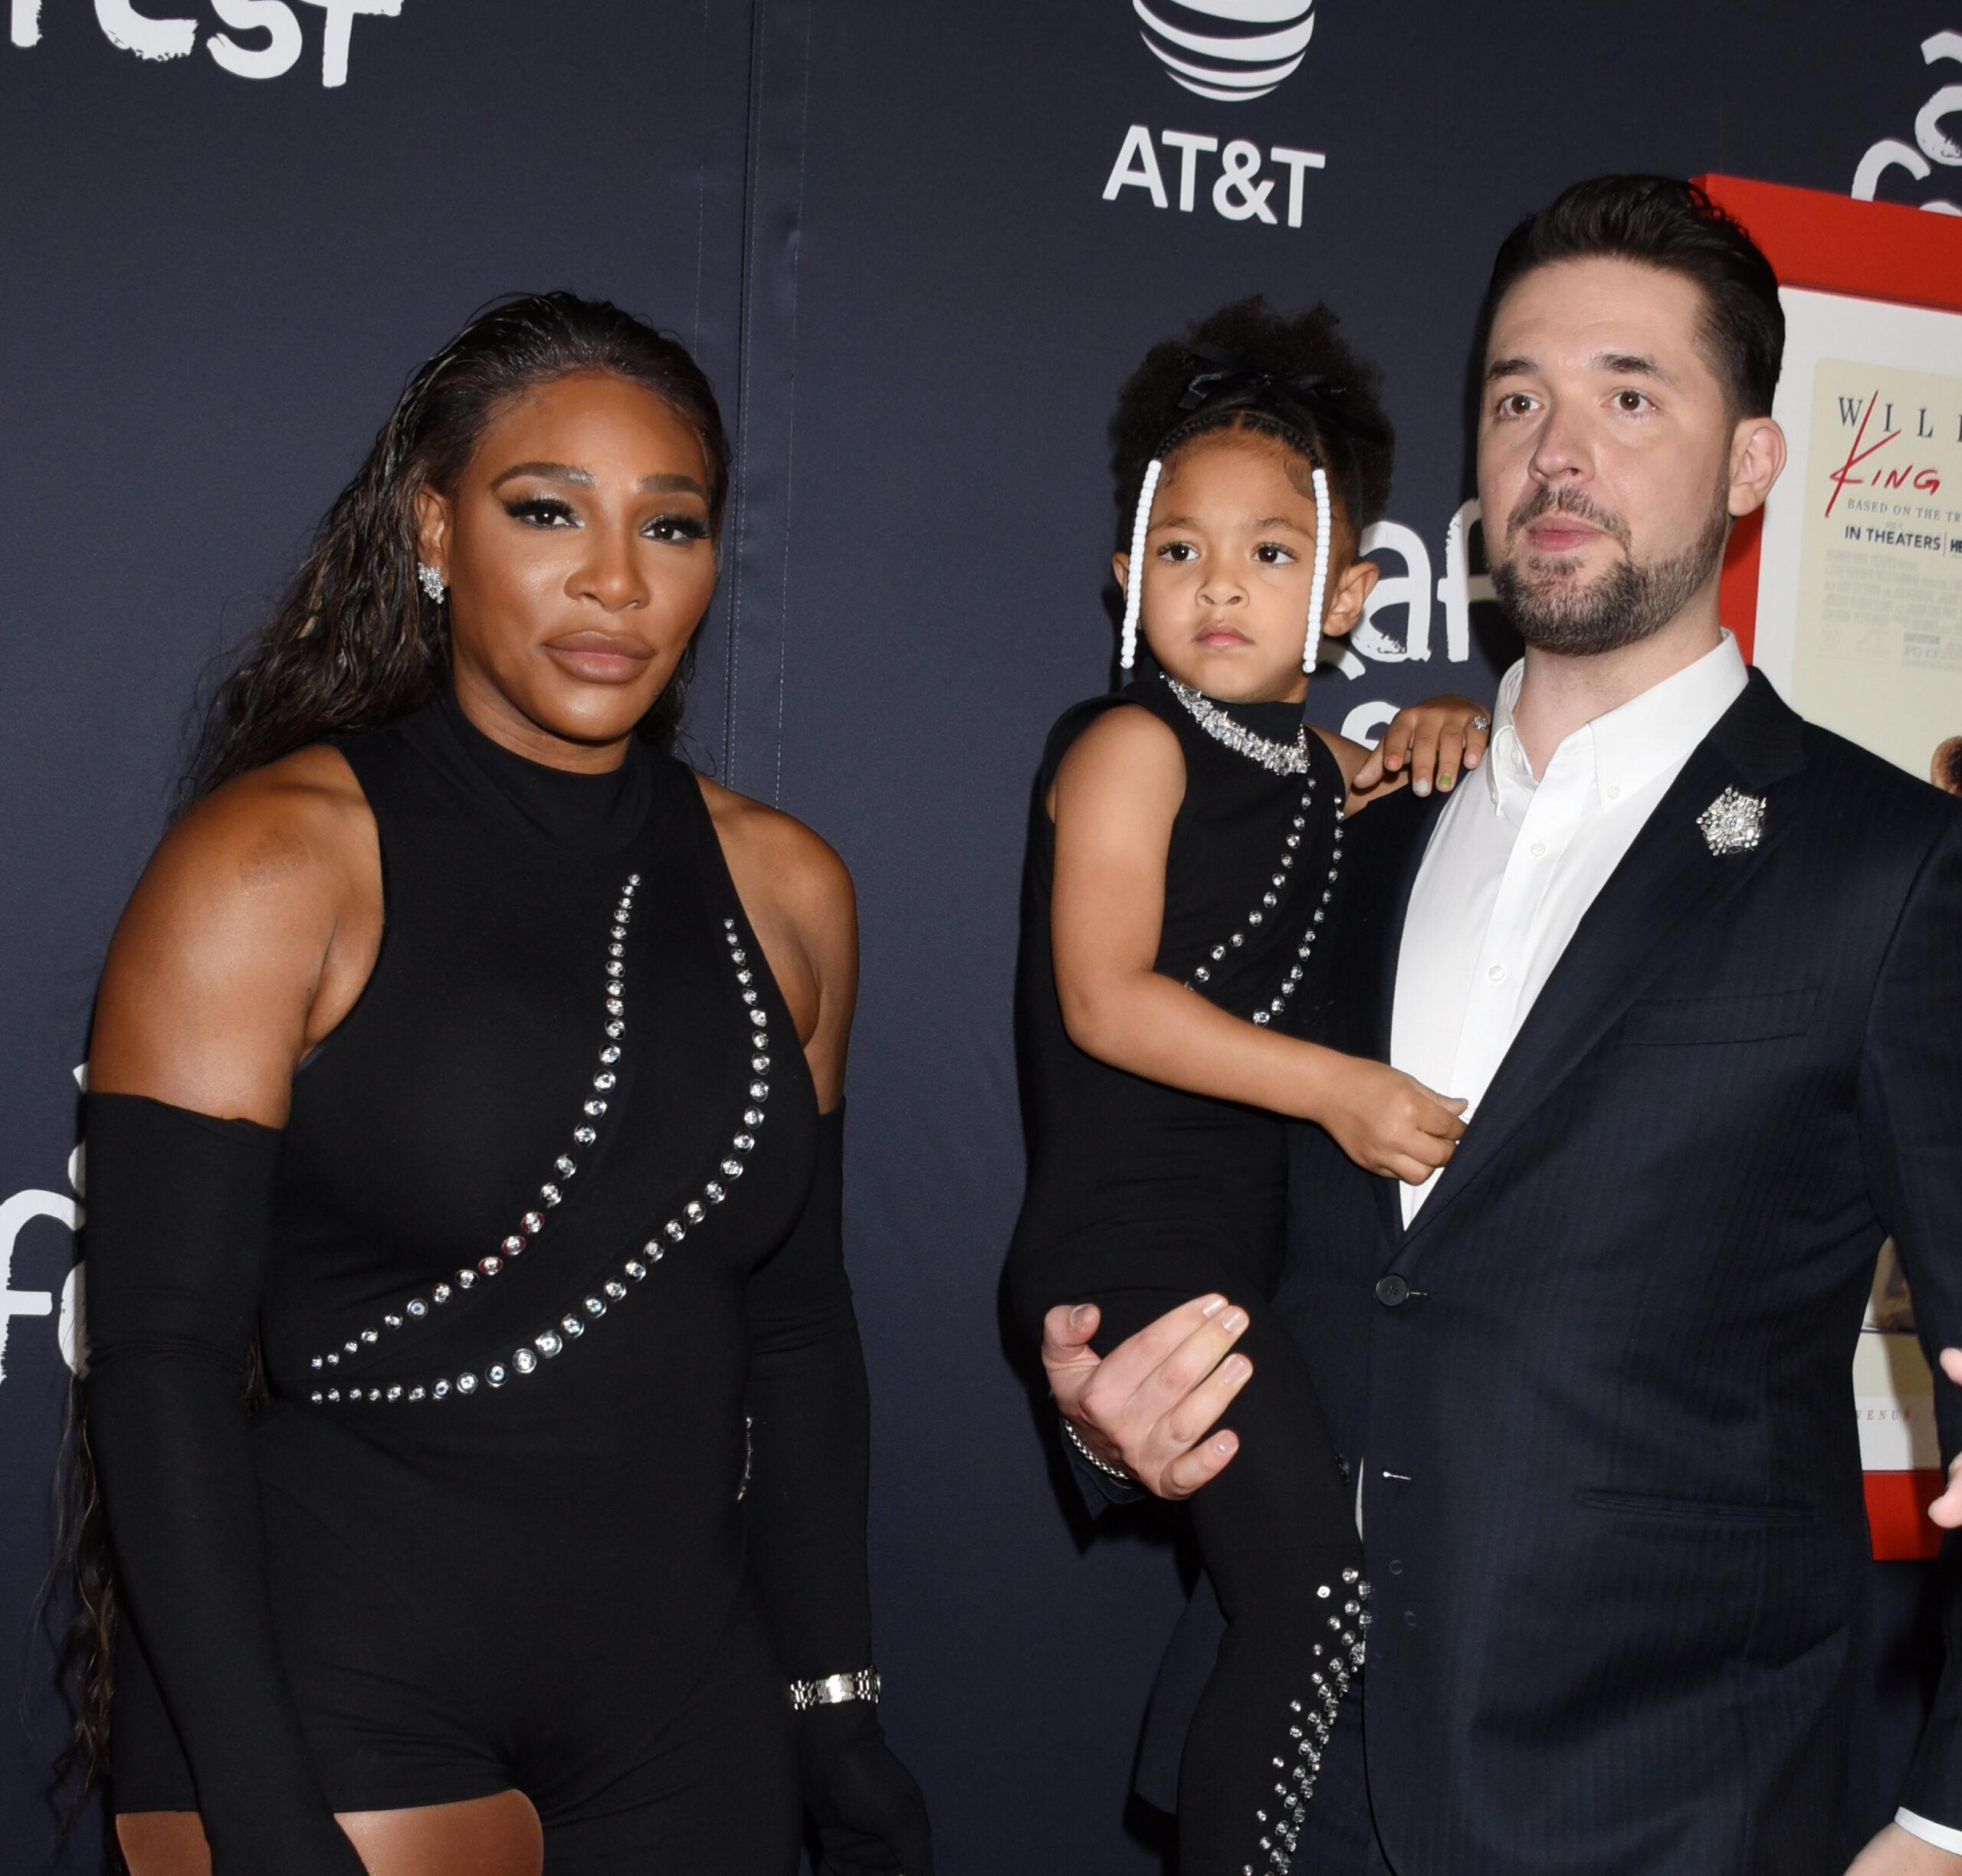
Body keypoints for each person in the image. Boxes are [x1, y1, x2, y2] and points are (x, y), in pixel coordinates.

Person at [1041, 177, 1962, 1874]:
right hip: (1285, 1783)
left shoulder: (1885, 871)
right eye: (1515, 397)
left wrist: (1939, 1824)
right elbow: (1209, 1203)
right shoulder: (1349, 829)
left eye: (1629, 395)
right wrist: (1111, 1405)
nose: (1558, 448)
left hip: (1672, 1810)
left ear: (1750, 464)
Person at [77, 293, 930, 1876]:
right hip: (338, 1689)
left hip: (686, 1704)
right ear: (432, 532)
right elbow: (157, 1356)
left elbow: (798, 1332)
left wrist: (835, 1706)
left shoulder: (790, 890)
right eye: (546, 512)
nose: (615, 581)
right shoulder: (274, 861)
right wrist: (259, 1805)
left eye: (669, 526)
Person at [1006, 297, 1488, 1875]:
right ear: (1122, 573)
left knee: (1319, 1597)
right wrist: (1341, 1090)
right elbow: (1102, 998)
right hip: (1137, 1257)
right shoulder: (1123, 746)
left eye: (1270, 555)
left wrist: (1434, 729)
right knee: (1314, 1594)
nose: (1219, 585)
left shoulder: (1314, 767)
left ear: (1349, 593)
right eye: (1180, 550)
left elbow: (1353, 781)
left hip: (1230, 1265)